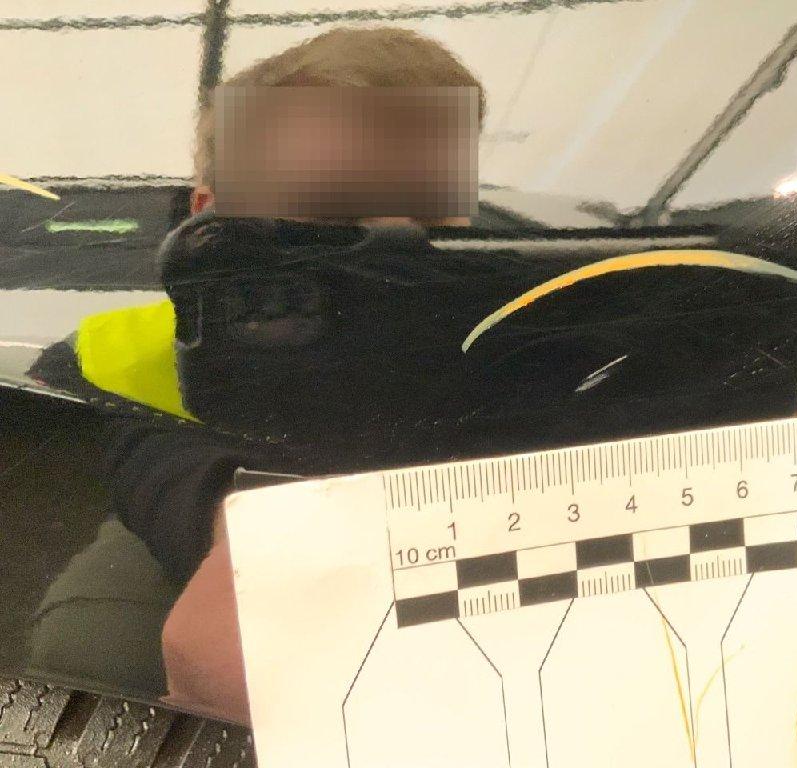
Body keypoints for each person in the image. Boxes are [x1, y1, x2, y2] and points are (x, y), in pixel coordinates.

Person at [28, 25, 486, 724]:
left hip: (449, 523)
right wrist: (248, 531)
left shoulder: (503, 308)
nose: (396, 242)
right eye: (331, 210)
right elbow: (147, 457)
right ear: (212, 219)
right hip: (238, 526)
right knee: (94, 648)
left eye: (430, 212)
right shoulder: (121, 346)